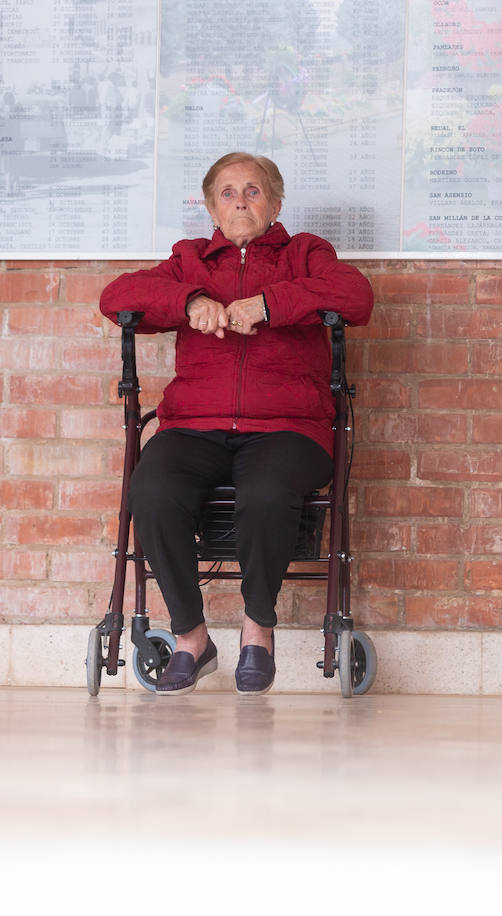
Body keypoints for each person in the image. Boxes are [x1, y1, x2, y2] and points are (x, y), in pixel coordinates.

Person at [99, 152, 373, 696]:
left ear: (274, 203)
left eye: (253, 190)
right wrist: (190, 299)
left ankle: (257, 629)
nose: (240, 201)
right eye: (227, 192)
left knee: (267, 491)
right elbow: (116, 297)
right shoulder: (190, 259)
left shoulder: (305, 254)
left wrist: (271, 304)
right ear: (210, 207)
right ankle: (191, 638)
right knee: (150, 488)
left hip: (288, 426)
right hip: (195, 424)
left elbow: (356, 297)